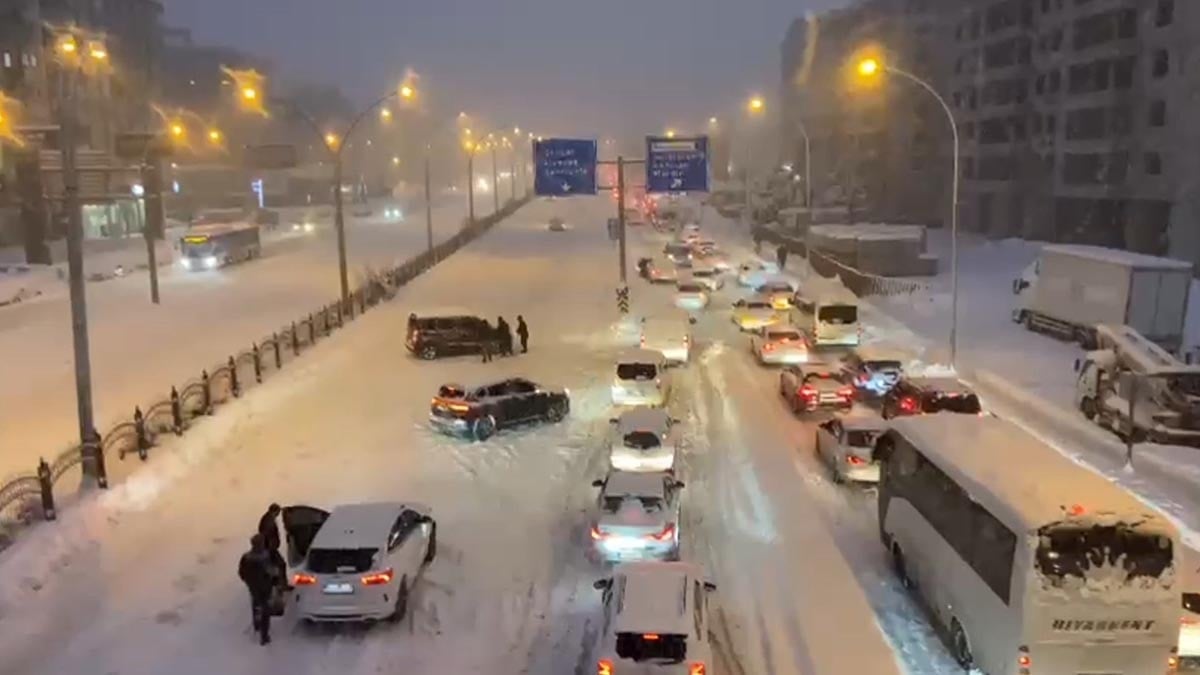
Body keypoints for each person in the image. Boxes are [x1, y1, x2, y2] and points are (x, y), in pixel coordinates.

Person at [238, 534, 275, 645]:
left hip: (254, 586)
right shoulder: (266, 556)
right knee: (266, 609)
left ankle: (257, 624)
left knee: (256, 604)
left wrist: (248, 581)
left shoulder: (246, 557)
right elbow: (271, 571)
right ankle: (264, 635)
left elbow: (241, 572)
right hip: (265, 586)